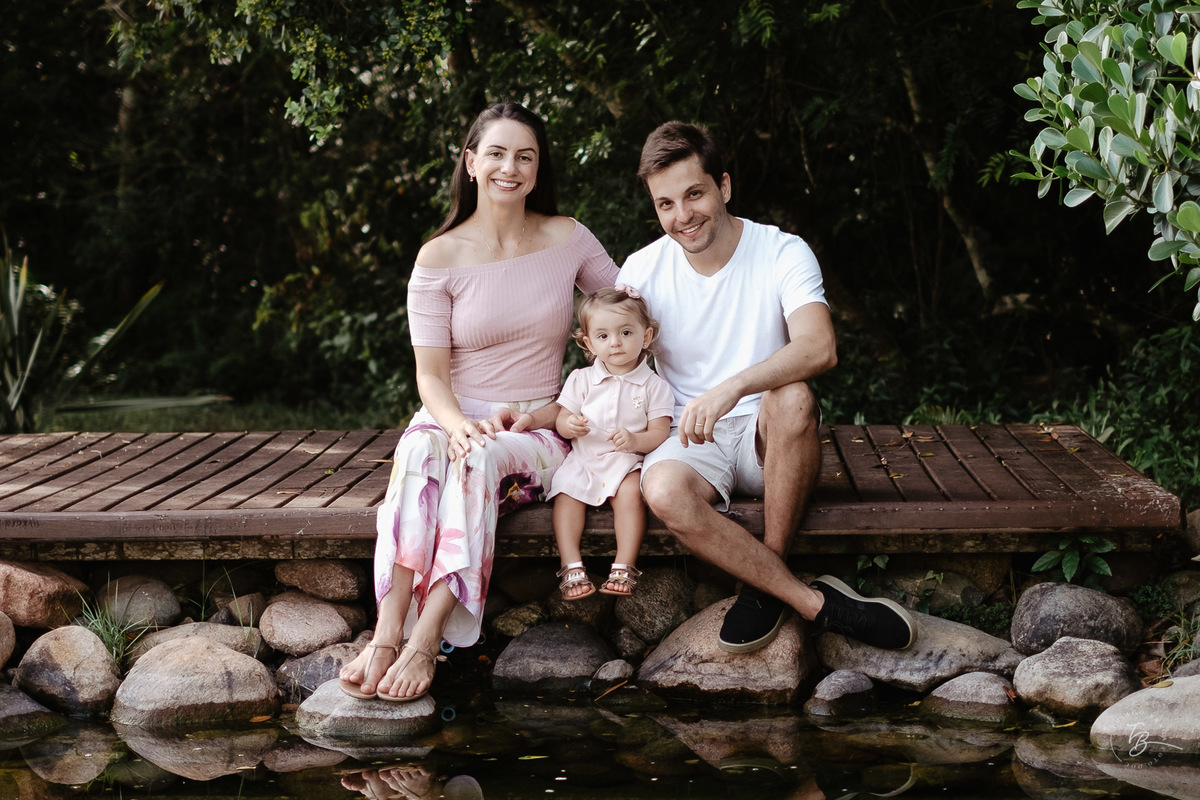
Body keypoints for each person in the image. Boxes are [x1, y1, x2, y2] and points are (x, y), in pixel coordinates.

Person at [338, 102, 618, 702]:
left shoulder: (568, 238)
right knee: (420, 454)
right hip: (453, 414)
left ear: (538, 170)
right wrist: (459, 423)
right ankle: (388, 631)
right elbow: (430, 377)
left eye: (525, 156)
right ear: (470, 163)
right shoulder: (437, 258)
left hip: (538, 427)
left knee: (478, 459)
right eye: (495, 153)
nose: (509, 167)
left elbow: (631, 315)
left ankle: (427, 638)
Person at [619, 121, 916, 653]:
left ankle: (766, 572)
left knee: (793, 395)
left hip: (770, 438)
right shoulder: (641, 270)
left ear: (724, 187)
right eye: (665, 204)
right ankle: (807, 602)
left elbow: (819, 346)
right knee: (660, 490)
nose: (682, 216)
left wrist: (733, 387)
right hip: (694, 438)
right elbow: (614, 362)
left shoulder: (782, 251)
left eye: (694, 193)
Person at [538, 285, 674, 601]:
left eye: (626, 332)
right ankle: (570, 564)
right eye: (603, 336)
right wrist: (568, 425)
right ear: (588, 343)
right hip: (584, 458)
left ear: (646, 335)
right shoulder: (581, 380)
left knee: (630, 495)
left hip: (625, 460)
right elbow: (562, 419)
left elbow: (659, 433)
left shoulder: (655, 386)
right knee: (566, 493)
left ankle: (624, 565)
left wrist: (635, 439)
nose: (615, 342)